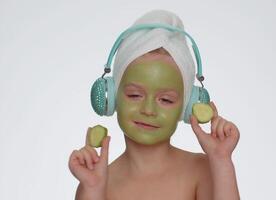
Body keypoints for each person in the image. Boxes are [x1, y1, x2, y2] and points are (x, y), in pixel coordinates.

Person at [68, 10, 240, 200]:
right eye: (134, 95)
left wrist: (222, 160)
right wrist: (93, 189)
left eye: (166, 100)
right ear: (113, 96)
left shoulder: (203, 171)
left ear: (187, 106)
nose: (148, 110)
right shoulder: (95, 183)